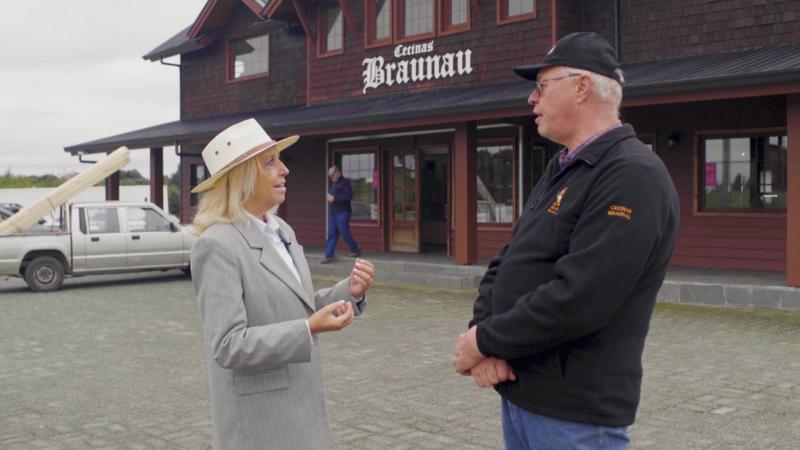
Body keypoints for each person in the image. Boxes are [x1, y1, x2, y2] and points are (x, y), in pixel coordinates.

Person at [451, 32, 679, 449]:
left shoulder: (630, 176)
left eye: (541, 86)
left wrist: (484, 341)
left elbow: (582, 297)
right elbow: (510, 259)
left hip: (574, 415)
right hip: (524, 396)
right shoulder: (566, 167)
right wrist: (483, 334)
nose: (531, 100)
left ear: (582, 86)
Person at [190, 118, 376, 449]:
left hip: (302, 411)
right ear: (243, 176)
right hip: (261, 425)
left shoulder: (282, 230)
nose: (285, 170)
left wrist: (348, 291)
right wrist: (307, 329)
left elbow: (296, 305)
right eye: (271, 162)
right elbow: (227, 344)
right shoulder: (217, 245)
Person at [322, 165, 361, 263]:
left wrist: (335, 198)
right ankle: (329, 256)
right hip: (333, 213)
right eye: (330, 176)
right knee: (332, 234)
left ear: (338, 173)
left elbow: (348, 196)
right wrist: (330, 197)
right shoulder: (333, 184)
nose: (332, 177)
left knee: (344, 232)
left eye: (333, 175)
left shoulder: (345, 183)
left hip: (343, 212)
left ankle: (355, 250)